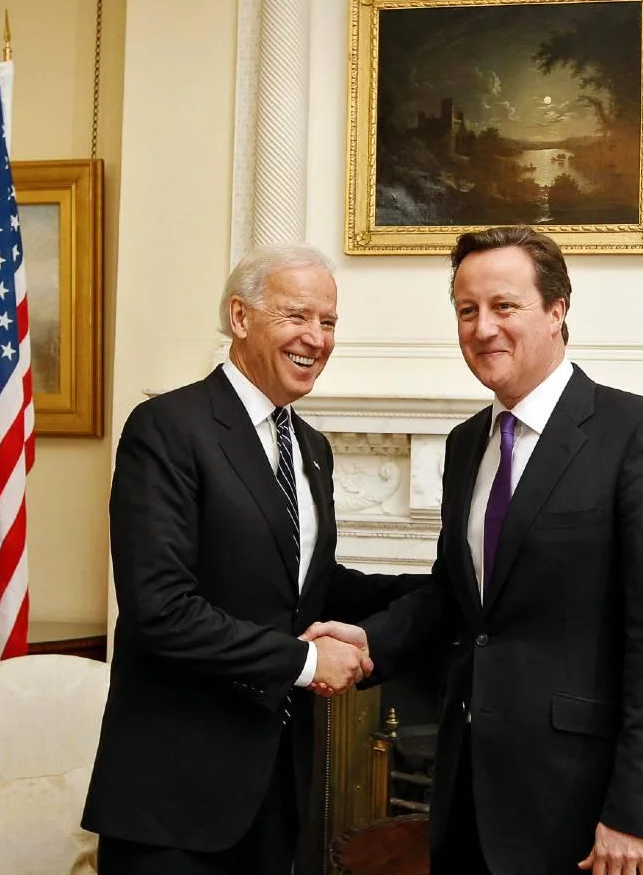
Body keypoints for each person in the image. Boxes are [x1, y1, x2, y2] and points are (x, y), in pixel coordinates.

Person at [309, 226, 643, 875]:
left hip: (586, 811)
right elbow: (457, 599)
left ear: (557, 311)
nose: (482, 327)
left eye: (504, 306)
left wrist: (638, 813)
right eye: (466, 310)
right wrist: (367, 641)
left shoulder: (639, 435)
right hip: (470, 792)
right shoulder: (467, 444)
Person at [82, 243, 419, 874]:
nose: (316, 338)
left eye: (328, 322)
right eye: (297, 317)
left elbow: (305, 589)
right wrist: (309, 659)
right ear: (241, 318)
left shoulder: (310, 447)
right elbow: (161, 610)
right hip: (172, 802)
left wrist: (439, 590)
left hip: (275, 790)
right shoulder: (168, 427)